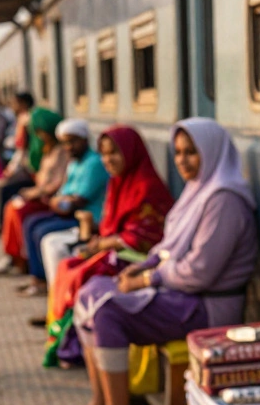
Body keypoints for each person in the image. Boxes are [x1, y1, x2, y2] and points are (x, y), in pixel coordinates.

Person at [60, 118, 258, 405]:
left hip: (207, 306)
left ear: (211, 152)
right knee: (90, 292)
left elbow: (199, 272)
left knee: (108, 310)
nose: (182, 161)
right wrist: (145, 265)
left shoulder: (224, 200)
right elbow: (168, 247)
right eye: (178, 152)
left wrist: (147, 279)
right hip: (183, 297)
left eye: (192, 152)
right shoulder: (199, 192)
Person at [45, 125, 174, 366]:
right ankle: (65, 341)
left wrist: (105, 243)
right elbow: (110, 226)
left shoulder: (147, 186)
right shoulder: (117, 183)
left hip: (137, 258)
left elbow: (147, 237)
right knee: (67, 266)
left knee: (82, 275)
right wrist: (100, 242)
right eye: (103, 154)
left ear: (130, 152)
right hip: (116, 251)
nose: (107, 160)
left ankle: (76, 349)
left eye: (114, 153)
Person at [22, 118, 109, 298]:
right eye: (65, 143)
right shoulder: (74, 163)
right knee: (31, 222)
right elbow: (61, 197)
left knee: (42, 232)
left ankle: (52, 287)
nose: (68, 147)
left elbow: (75, 202)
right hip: (70, 215)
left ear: (85, 139)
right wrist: (60, 202)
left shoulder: (94, 163)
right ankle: (40, 280)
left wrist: (61, 202)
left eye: (73, 141)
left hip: (87, 220)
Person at [0, 108, 68, 282]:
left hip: (49, 199)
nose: (39, 136)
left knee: (22, 213)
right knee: (12, 205)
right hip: (41, 194)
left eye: (41, 132)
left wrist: (33, 193)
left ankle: (25, 262)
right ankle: (14, 257)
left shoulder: (62, 152)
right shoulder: (46, 149)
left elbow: (55, 184)